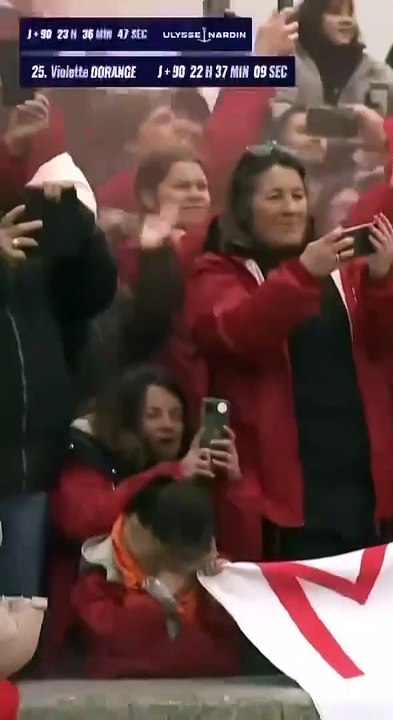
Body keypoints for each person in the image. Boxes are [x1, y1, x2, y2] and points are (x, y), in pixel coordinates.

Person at [186, 145, 393, 562]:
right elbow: (239, 332)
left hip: (358, 478)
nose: (291, 208)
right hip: (281, 490)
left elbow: (388, 345)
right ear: (243, 208)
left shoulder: (341, 272)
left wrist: (383, 280)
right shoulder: (217, 272)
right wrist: (303, 273)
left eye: (297, 195)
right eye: (274, 197)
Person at [46, 365, 239, 674]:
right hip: (98, 634)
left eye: (176, 416)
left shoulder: (192, 470)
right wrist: (169, 473)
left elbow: (234, 550)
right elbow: (81, 518)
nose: (169, 425)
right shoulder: (91, 455)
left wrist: (230, 484)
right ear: (129, 421)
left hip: (190, 643)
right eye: (155, 415)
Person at [0, 169, 117, 599]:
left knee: (20, 613)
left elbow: (91, 296)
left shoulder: (24, 232)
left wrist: (80, 233)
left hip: (30, 463)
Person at [93, 13, 296, 213]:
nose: (185, 126)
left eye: (181, 117)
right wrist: (260, 60)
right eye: (163, 121)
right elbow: (221, 152)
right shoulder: (118, 194)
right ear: (130, 144)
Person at [69, 476, 240, 679]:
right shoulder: (97, 582)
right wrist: (159, 602)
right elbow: (113, 665)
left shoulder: (211, 569)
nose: (186, 573)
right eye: (181, 562)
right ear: (147, 533)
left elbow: (229, 662)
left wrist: (219, 600)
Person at [281, 0, 393, 113]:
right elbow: (270, 115)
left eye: (349, 13)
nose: (346, 20)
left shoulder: (372, 71)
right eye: (335, 12)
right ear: (313, 16)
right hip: (294, 160)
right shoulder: (289, 63)